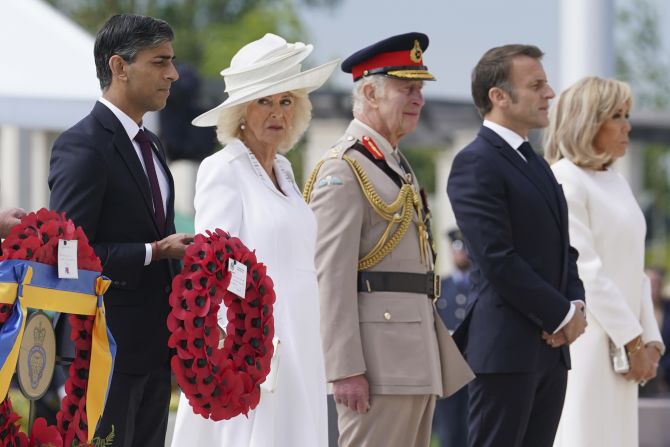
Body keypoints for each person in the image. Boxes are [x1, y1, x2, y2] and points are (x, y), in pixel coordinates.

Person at [305, 32, 472, 447]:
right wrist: (344, 367)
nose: (418, 99)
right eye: (406, 88)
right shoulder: (343, 169)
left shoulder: (392, 164)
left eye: (420, 89)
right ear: (370, 93)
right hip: (377, 364)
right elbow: (330, 274)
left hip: (412, 354)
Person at [170, 33, 337, 447]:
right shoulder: (223, 168)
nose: (277, 112)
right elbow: (212, 267)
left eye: (286, 101)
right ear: (241, 111)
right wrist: (235, 352)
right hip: (254, 345)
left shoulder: (285, 170)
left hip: (302, 336)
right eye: (264, 100)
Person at [48, 14, 192, 447]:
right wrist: (153, 251)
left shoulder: (152, 144)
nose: (174, 73)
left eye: (173, 60)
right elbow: (67, 255)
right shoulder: (83, 144)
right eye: (160, 61)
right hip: (103, 352)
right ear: (119, 67)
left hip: (154, 350)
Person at [446, 44, 587, 447]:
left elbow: (564, 248)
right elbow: (496, 258)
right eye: (537, 85)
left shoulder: (536, 162)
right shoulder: (476, 162)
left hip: (550, 351)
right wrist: (560, 314)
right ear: (499, 96)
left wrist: (576, 306)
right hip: (506, 352)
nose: (550, 93)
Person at [545, 76, 664, 447]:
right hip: (590, 342)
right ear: (587, 121)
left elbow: (634, 269)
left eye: (627, 114)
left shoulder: (616, 181)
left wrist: (652, 341)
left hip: (626, 348)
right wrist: (633, 340)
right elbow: (586, 270)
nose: (628, 125)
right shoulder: (565, 178)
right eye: (617, 115)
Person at [432, 229, 472, 447]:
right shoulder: (440, 287)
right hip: (447, 370)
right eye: (457, 249)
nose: (461, 254)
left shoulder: (479, 285)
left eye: (465, 248)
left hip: (474, 369)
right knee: (449, 432)